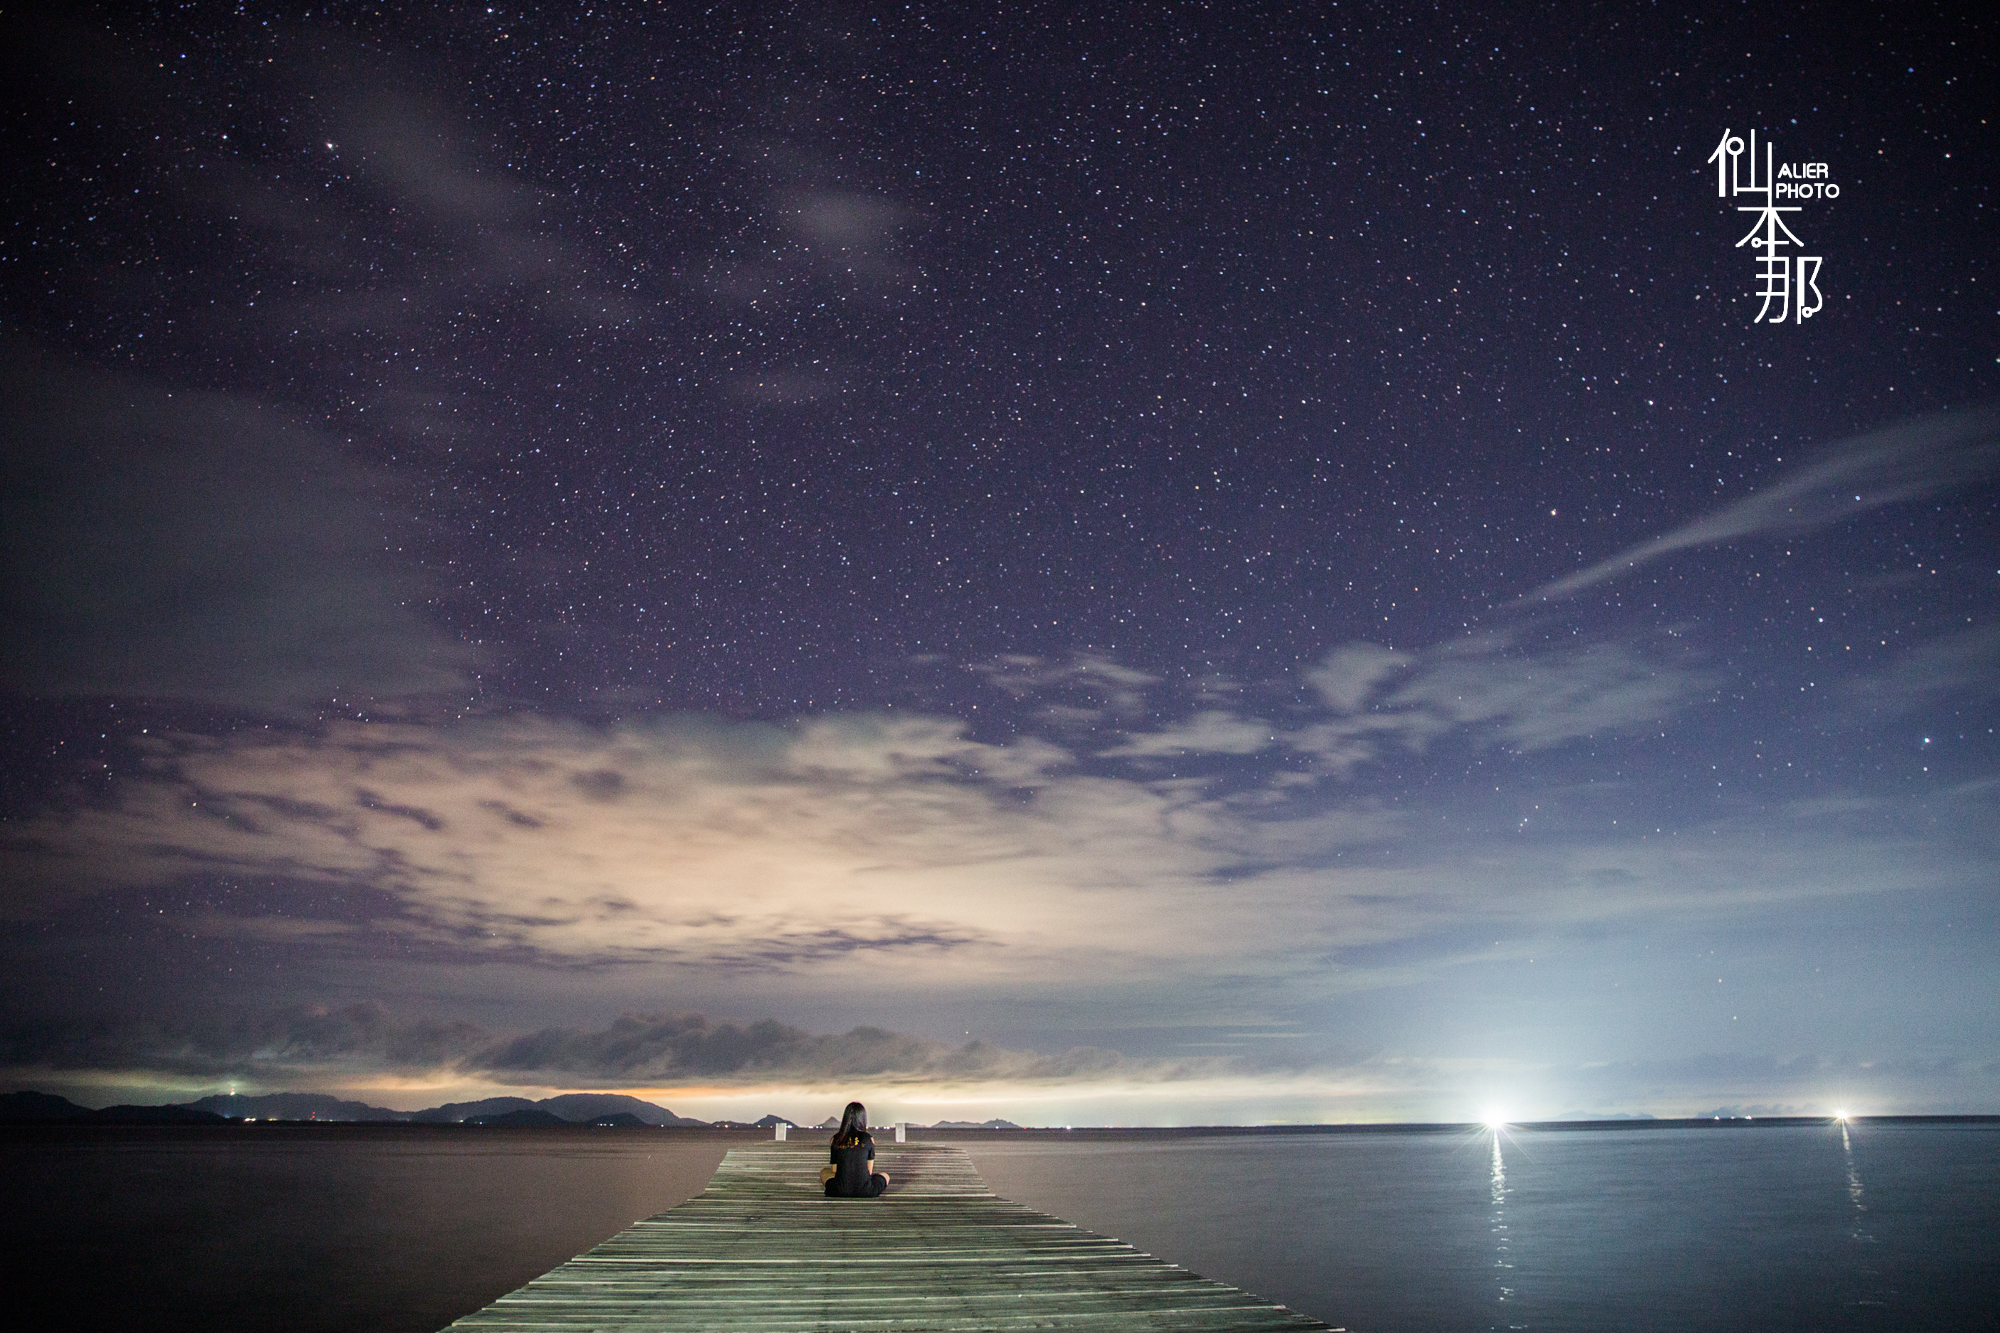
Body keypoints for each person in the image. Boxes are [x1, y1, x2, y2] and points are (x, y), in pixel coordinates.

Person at [820, 1100, 890, 1198]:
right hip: (866, 1191)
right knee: (885, 1176)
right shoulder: (868, 1139)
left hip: (840, 1191)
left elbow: (835, 1170)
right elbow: (869, 1171)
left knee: (824, 1172)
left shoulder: (836, 1139)